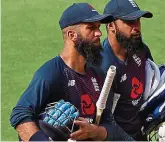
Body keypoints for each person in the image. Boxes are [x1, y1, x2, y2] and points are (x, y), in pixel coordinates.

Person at [10, 3, 133, 141]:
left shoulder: (99, 75)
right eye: (91, 28)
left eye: (98, 27)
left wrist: (94, 131)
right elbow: (20, 115)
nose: (99, 33)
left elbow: (109, 124)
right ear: (72, 35)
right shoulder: (52, 73)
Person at [101, 0, 154, 140]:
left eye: (138, 20)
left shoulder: (141, 50)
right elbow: (103, 123)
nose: (137, 27)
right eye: (130, 22)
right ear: (111, 25)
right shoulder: (102, 66)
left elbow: (155, 88)